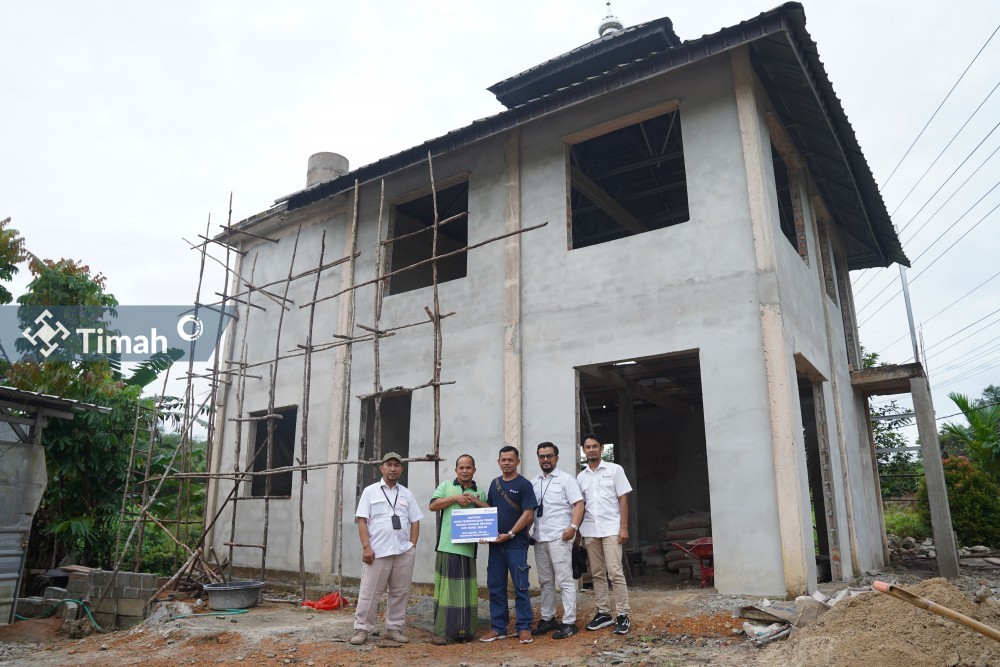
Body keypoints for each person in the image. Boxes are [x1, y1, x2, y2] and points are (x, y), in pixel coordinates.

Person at [350, 452, 423, 646]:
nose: (393, 469)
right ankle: (362, 629)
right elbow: (362, 521)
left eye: (396, 465)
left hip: (402, 551)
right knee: (370, 591)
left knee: (400, 592)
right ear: (381, 468)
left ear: (401, 469)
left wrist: (412, 545)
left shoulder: (406, 494)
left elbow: (415, 520)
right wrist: (366, 547)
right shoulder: (370, 491)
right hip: (377, 551)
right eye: (389, 465)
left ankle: (394, 629)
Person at [428, 454, 490, 644]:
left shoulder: (479, 492)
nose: (464, 471)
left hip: (468, 550)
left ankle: (465, 632)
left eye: (468, 467)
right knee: (446, 592)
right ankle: (441, 632)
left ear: (474, 470)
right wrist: (455, 498)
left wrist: (474, 501)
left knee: (465, 593)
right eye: (461, 467)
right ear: (456, 470)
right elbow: (433, 505)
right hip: (447, 547)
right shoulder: (446, 486)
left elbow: (488, 512)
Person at [479, 445, 538, 644]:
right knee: (495, 587)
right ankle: (498, 627)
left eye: (510, 460)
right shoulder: (495, 484)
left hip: (516, 544)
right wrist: (481, 528)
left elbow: (528, 514)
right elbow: (489, 510)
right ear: (499, 462)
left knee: (521, 586)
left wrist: (511, 534)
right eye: (503, 460)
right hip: (496, 546)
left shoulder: (524, 485)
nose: (506, 463)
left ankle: (524, 627)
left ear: (517, 462)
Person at [577, 434, 633, 635]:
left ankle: (623, 614)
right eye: (588, 447)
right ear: (584, 450)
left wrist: (623, 527)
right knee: (597, 573)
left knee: (615, 572)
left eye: (595, 446)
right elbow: (580, 506)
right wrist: (577, 532)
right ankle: (603, 613)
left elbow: (623, 499)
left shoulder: (615, 470)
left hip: (611, 529)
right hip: (590, 530)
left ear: (601, 448)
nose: (591, 450)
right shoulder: (581, 477)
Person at [530, 442, 585, 640]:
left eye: (549, 456)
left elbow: (579, 504)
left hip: (560, 538)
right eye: (542, 456)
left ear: (557, 458)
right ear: (538, 458)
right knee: (545, 582)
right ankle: (548, 618)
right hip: (540, 539)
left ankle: (569, 622)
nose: (545, 459)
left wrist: (573, 527)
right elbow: (530, 511)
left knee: (565, 580)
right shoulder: (533, 482)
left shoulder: (566, 480)